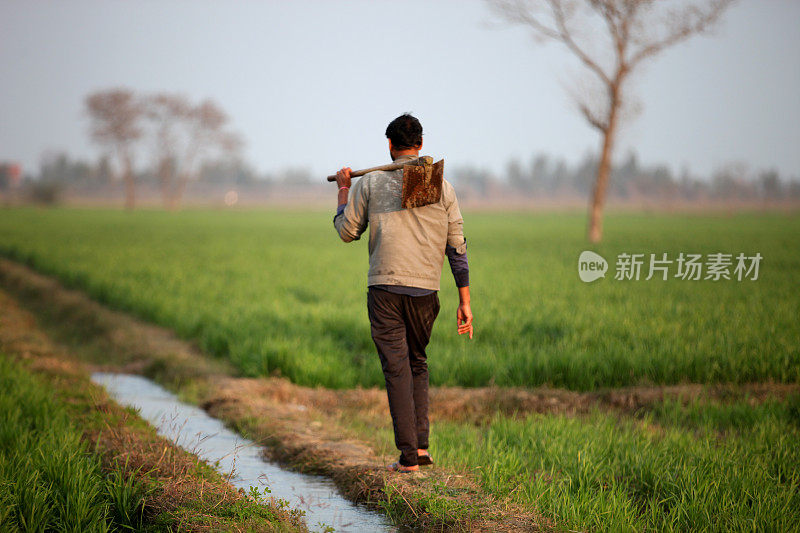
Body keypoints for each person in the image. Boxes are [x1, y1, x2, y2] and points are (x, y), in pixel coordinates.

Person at [332, 113, 473, 473]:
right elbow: (457, 247)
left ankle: (408, 458)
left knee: (397, 369)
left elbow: (347, 232)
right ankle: (421, 449)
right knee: (417, 363)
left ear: (390, 146)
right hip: (426, 291)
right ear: (421, 145)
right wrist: (465, 301)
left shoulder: (371, 183)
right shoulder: (442, 186)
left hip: (385, 289)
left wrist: (343, 190)